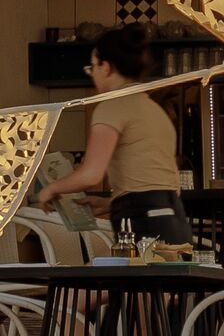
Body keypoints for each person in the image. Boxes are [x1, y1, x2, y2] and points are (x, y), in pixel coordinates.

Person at [46, 25, 187, 245]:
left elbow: (92, 174)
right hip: (174, 218)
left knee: (137, 280)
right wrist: (111, 203)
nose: (93, 75)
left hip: (143, 222)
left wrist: (51, 188)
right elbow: (162, 184)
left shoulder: (112, 106)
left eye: (92, 67)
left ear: (106, 67)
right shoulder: (154, 110)